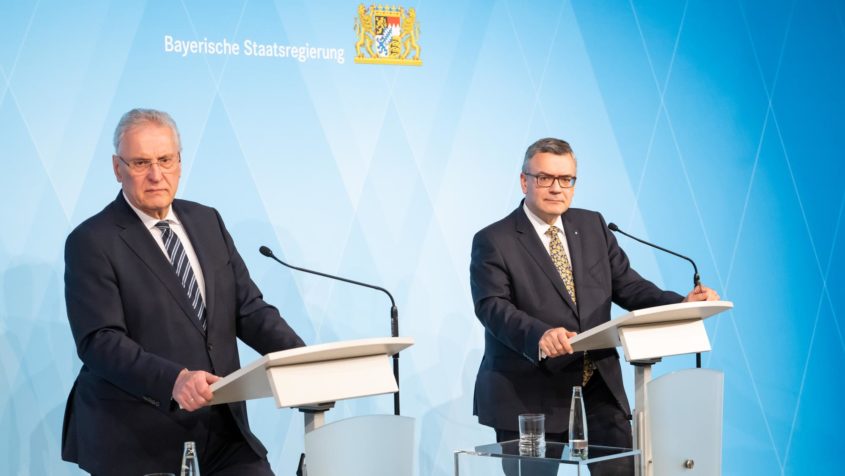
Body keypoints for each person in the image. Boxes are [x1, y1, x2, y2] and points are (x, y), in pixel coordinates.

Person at [61, 109, 305, 475]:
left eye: (165, 160)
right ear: (117, 168)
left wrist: (302, 360)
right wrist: (174, 380)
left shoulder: (207, 221)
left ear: (179, 161)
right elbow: (100, 341)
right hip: (139, 438)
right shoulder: (92, 240)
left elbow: (248, 309)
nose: (156, 174)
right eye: (141, 162)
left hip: (223, 431)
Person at [469, 138, 719, 475]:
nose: (557, 188)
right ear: (524, 180)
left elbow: (628, 286)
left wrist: (680, 304)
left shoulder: (593, 226)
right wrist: (539, 335)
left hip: (597, 384)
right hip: (530, 391)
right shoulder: (494, 239)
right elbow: (491, 306)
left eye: (566, 179)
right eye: (545, 178)